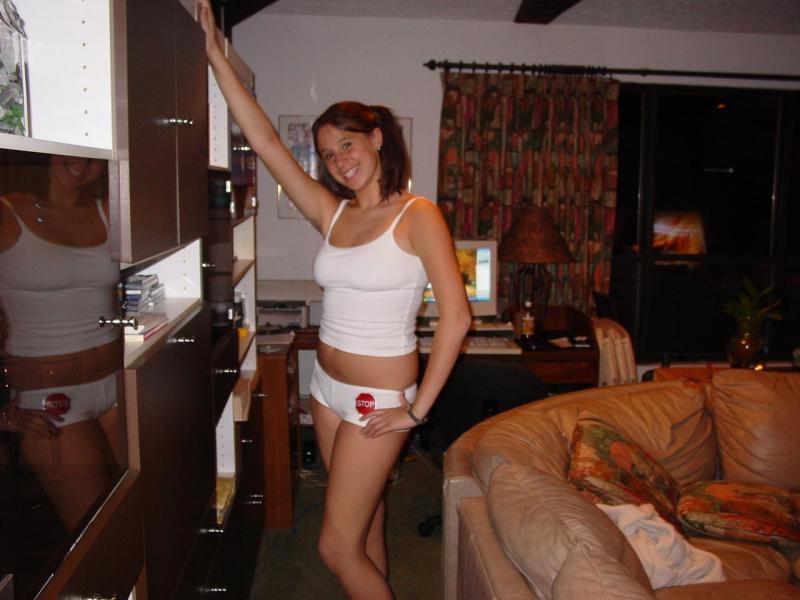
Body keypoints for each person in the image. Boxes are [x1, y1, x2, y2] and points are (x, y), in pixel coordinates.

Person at [198, 3, 471, 597]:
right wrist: (217, 58)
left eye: (347, 144)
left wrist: (417, 412)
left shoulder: (418, 214)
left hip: (380, 397)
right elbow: (267, 143)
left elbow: (456, 319)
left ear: (377, 138)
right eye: (326, 153)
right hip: (325, 387)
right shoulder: (335, 213)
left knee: (333, 545)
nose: (339, 161)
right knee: (365, 525)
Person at [0, 153, 123, 532]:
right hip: (50, 403)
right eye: (69, 150)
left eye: (93, 156)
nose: (81, 163)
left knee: (146, 512)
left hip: (119, 385)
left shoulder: (109, 210)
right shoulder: (7, 212)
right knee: (97, 534)